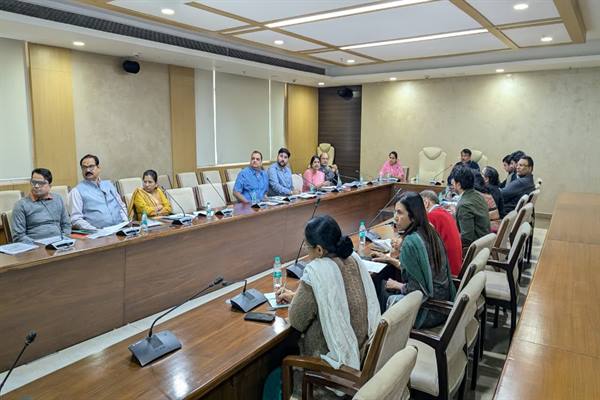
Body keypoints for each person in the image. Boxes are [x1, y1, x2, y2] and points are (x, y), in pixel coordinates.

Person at [275, 215, 380, 399]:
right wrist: (296, 296)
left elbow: (297, 320)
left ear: (319, 250)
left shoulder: (318, 271)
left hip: (329, 372)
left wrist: (300, 296)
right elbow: (336, 297)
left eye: (307, 246)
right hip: (362, 354)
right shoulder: (353, 259)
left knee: (279, 359)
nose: (306, 251)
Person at [371, 193, 455, 329]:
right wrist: (389, 259)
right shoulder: (430, 229)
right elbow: (422, 270)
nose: (395, 218)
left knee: (379, 286)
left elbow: (415, 291)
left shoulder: (410, 242)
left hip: (429, 310)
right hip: (445, 300)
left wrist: (397, 285)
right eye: (395, 212)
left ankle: (381, 336)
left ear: (413, 216)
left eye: (400, 213)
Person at [11, 168, 71, 243]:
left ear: (50, 186)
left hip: (60, 243)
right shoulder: (21, 205)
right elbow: (18, 236)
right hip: (35, 246)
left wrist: (64, 239)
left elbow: (66, 224)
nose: (36, 186)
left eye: (41, 183)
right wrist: (38, 245)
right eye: (34, 182)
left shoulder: (58, 199)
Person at [69, 154, 127, 230]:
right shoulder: (76, 191)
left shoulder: (109, 185)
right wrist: (95, 230)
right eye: (84, 167)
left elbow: (121, 206)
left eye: (91, 166)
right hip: (98, 233)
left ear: (98, 168)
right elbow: (76, 219)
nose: (87, 170)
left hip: (121, 228)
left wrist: (125, 222)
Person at [420, 190, 463, 276]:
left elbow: (422, 245)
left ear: (426, 203)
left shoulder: (431, 216)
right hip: (455, 266)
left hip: (447, 272)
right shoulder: (444, 212)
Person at [452, 166, 491, 248]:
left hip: (475, 248)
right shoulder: (478, 195)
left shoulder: (464, 205)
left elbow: (466, 239)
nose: (452, 186)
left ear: (458, 185)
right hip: (484, 242)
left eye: (453, 183)